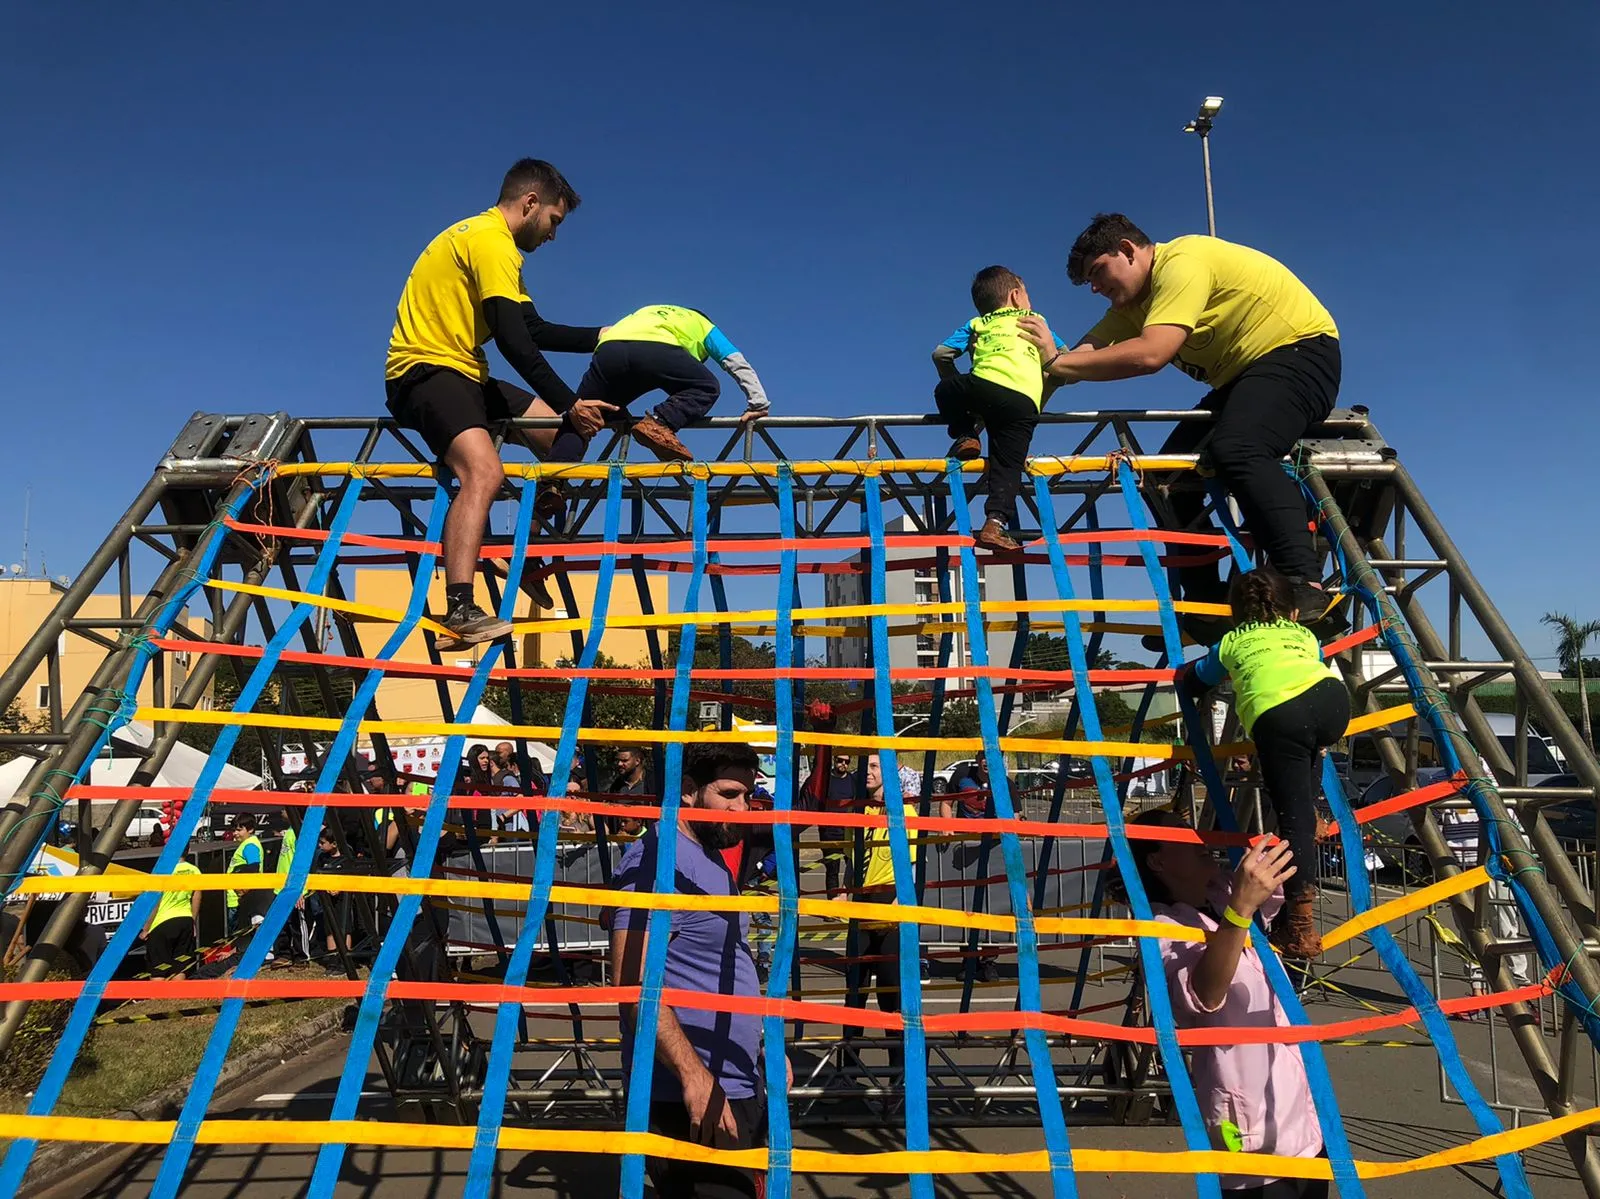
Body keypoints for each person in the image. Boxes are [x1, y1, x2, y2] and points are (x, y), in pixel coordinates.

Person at [1017, 214, 1344, 646]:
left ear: (1129, 250)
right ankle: (1206, 607)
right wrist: (1011, 401)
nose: (1095, 288)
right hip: (1241, 381)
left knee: (1239, 447)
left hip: (1299, 353)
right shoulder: (1131, 307)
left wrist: (1058, 361)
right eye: (1087, 283)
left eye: (1097, 272)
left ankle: (1306, 583)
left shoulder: (1182, 261)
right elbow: (1075, 361)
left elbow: (1152, 354)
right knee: (1169, 477)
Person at [384, 158, 604, 644]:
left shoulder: (499, 251)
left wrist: (608, 337)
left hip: (466, 372)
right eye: (554, 221)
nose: (553, 235)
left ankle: (517, 554)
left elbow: (534, 329)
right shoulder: (489, 241)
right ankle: (458, 612)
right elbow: (513, 343)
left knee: (565, 438)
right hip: (424, 371)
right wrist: (571, 400)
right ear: (530, 204)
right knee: (484, 472)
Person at [1119, 810, 1327, 1196]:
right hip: (1253, 1131)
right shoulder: (1160, 927)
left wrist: (1297, 821)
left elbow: (1273, 881)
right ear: (1157, 860)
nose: (1199, 839)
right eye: (1182, 834)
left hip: (1301, 1114)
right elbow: (1203, 996)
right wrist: (1240, 910)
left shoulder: (1218, 892)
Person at [608, 742, 781, 1199]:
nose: (742, 808)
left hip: (734, 1081)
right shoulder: (655, 862)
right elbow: (634, 987)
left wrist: (761, 1045)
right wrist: (693, 1075)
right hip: (690, 1097)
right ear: (688, 791)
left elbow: (727, 964)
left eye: (748, 795)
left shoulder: (708, 859)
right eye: (728, 794)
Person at [1179, 568, 1349, 958]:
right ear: (1292, 614)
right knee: (1310, 748)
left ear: (1236, 616)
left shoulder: (1230, 642)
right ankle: (1313, 811)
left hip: (1280, 714)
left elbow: (1197, 682)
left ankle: (1300, 925)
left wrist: (1184, 676)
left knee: (1292, 821)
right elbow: (1310, 665)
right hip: (1332, 702)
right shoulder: (1304, 634)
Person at [932, 266, 1068, 552]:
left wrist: (960, 390)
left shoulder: (976, 324)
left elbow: (941, 354)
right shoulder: (1036, 322)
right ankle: (995, 524)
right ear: (1017, 296)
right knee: (1008, 467)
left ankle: (966, 435)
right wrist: (1042, 392)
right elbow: (1065, 362)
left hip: (985, 385)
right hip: (1023, 405)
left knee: (945, 391)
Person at [546, 305, 771, 469]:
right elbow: (735, 361)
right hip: (659, 349)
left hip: (609, 349)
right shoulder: (702, 323)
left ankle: (552, 482)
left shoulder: (649, 311)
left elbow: (630, 352)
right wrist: (758, 403)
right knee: (706, 387)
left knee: (582, 414)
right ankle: (658, 423)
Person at [840, 754, 918, 1042]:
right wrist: (846, 894)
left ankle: (898, 1070)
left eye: (874, 767)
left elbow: (911, 869)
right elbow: (851, 862)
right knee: (855, 992)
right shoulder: (859, 813)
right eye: (866, 767)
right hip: (861, 907)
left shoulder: (904, 814)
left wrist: (899, 910)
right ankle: (847, 1068)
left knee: (890, 994)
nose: (867, 773)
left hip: (890, 905)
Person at [140, 859, 201, 979]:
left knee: (158, 968)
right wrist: (192, 921)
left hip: (162, 922)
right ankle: (177, 997)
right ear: (188, 850)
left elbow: (155, 902)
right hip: (185, 919)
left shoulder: (162, 870)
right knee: (180, 966)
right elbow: (197, 897)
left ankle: (157, 998)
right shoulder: (194, 870)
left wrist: (146, 928)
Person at [223, 815, 268, 945]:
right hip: (237, 898)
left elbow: (254, 868)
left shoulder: (250, 846)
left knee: (240, 937)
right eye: (234, 830)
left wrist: (242, 891)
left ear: (251, 829)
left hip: (240, 900)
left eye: (239, 830)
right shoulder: (247, 845)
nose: (235, 833)